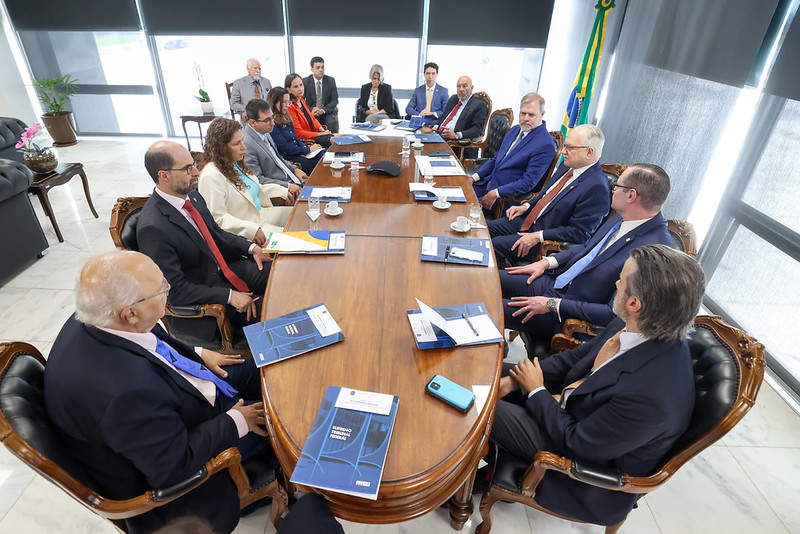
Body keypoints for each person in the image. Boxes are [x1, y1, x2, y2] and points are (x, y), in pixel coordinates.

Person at [44, 251, 271, 534]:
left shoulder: (95, 316)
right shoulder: (124, 395)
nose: (170, 288)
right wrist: (239, 420)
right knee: (286, 421)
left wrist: (199, 354)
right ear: (130, 313)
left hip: (184, 390)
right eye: (161, 288)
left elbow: (148, 341)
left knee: (270, 366)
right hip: (194, 447)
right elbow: (173, 466)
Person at [489, 244, 705, 527]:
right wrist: (513, 381)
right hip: (570, 409)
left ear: (634, 303)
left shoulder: (653, 396)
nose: (615, 283)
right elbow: (573, 359)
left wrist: (535, 390)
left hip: (578, 463)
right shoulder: (635, 325)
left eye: (621, 279)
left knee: (479, 407)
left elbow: (577, 443)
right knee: (486, 373)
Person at [501, 163, 673, 338]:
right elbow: (587, 249)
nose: (612, 190)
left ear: (631, 195)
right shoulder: (625, 216)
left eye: (617, 186)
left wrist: (554, 304)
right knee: (486, 277)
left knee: (491, 308)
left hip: (569, 316)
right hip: (557, 283)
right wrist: (547, 262)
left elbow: (614, 313)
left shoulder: (655, 254)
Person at [137, 140, 271, 342]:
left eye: (194, 164)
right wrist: (228, 296)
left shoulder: (192, 197)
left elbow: (216, 233)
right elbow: (176, 290)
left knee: (284, 273)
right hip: (208, 298)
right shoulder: (153, 228)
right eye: (188, 169)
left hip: (227, 269)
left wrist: (251, 248)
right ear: (163, 176)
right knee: (281, 310)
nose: (197, 172)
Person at [488, 124, 610, 265]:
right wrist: (526, 206)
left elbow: (579, 233)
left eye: (570, 148)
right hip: (528, 220)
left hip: (545, 238)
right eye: (565, 146)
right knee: (486, 229)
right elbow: (546, 193)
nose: (563, 151)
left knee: (495, 246)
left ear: (589, 152)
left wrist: (538, 236)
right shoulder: (567, 165)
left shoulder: (597, 187)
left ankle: (496, 285)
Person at [197, 117, 293, 247]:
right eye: (237, 144)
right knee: (294, 240)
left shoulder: (233, 163)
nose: (244, 147)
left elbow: (255, 188)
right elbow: (218, 219)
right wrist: (251, 229)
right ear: (221, 148)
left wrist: (284, 190)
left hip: (263, 214)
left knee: (301, 216)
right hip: (250, 227)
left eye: (242, 140)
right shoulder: (211, 176)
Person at [471, 92, 557, 212]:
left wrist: (497, 192)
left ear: (542, 114)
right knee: (453, 192)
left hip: (504, 198)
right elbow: (496, 159)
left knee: (460, 208)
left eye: (531, 115)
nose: (525, 118)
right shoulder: (515, 129)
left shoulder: (545, 144)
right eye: (523, 113)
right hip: (486, 184)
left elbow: (528, 183)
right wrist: (473, 178)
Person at [243, 98, 307, 198]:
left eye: (272, 117)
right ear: (252, 122)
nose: (272, 123)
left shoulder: (264, 131)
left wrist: (294, 169)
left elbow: (277, 158)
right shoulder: (246, 145)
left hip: (292, 178)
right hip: (281, 190)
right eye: (267, 120)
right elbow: (258, 180)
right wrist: (288, 186)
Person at [266, 87, 325, 175]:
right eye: (284, 102)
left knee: (326, 154)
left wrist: (305, 150)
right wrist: (307, 150)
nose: (287, 105)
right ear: (274, 102)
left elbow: (295, 138)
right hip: (290, 158)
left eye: (288, 102)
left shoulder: (286, 116)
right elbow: (284, 148)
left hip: (299, 152)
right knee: (319, 164)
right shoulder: (272, 123)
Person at [429, 75, 488, 141]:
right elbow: (444, 116)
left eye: (464, 86)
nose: (461, 89)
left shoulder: (479, 105)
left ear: (471, 88)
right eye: (458, 86)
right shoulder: (453, 98)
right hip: (438, 135)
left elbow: (477, 129)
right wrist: (435, 127)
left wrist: (456, 135)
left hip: (455, 143)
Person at [285, 73, 334, 147]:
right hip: (305, 140)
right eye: (296, 87)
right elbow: (299, 133)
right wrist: (321, 134)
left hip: (311, 135)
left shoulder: (301, 100)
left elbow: (312, 119)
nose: (300, 88)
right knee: (334, 138)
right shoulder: (290, 107)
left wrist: (321, 129)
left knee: (337, 137)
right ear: (288, 90)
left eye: (301, 85)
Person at [302, 56, 339, 133]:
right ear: (312, 69)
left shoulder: (330, 81)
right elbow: (301, 100)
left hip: (326, 112)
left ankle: (331, 142)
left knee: (331, 122)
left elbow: (334, 100)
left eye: (322, 67)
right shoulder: (305, 81)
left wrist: (323, 110)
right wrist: (311, 109)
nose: (321, 70)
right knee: (307, 122)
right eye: (318, 68)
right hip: (312, 112)